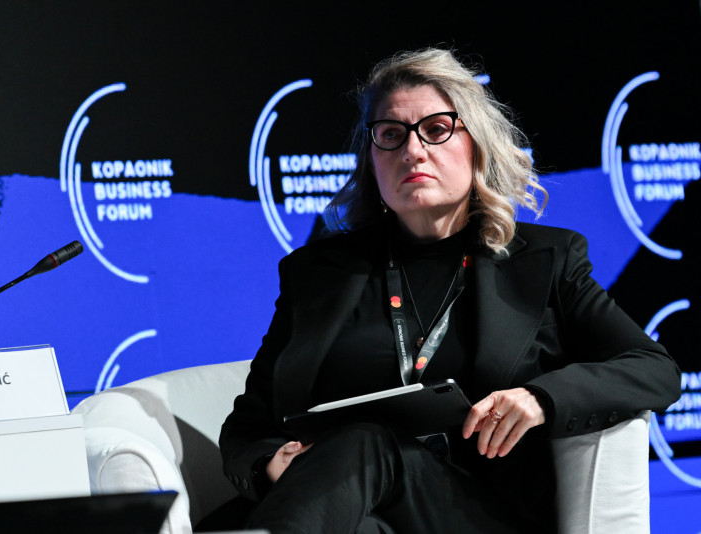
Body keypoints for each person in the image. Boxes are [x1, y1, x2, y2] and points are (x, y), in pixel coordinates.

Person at [217, 48, 681, 533]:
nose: (413, 151)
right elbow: (249, 424)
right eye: (391, 135)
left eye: (436, 129)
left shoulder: (545, 261)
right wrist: (271, 464)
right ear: (371, 161)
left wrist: (540, 397)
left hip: (482, 517)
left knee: (366, 441)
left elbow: (653, 368)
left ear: (477, 145)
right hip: (352, 512)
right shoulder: (317, 274)